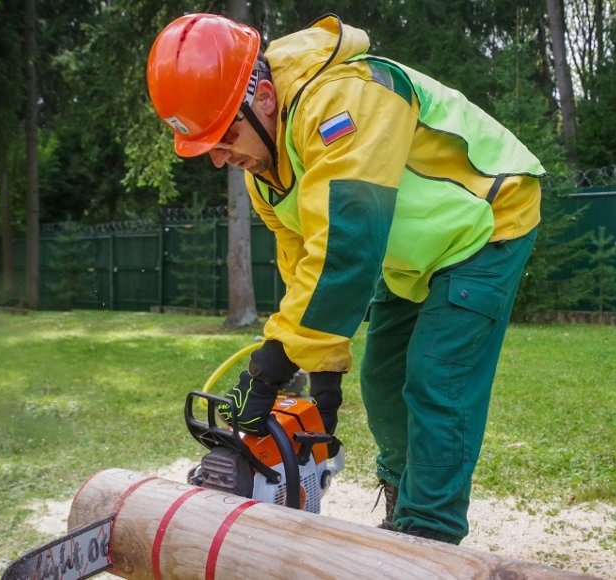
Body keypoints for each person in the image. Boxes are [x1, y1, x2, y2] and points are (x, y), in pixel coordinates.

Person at [146, 13, 544, 544]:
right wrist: (323, 376)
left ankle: (429, 539)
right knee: (382, 381)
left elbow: (346, 246)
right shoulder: (264, 171)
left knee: (436, 378)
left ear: (263, 95)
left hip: (487, 220)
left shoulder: (342, 102)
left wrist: (271, 366)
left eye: (225, 137)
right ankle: (405, 502)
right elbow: (303, 267)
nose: (222, 160)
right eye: (207, 149)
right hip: (412, 251)